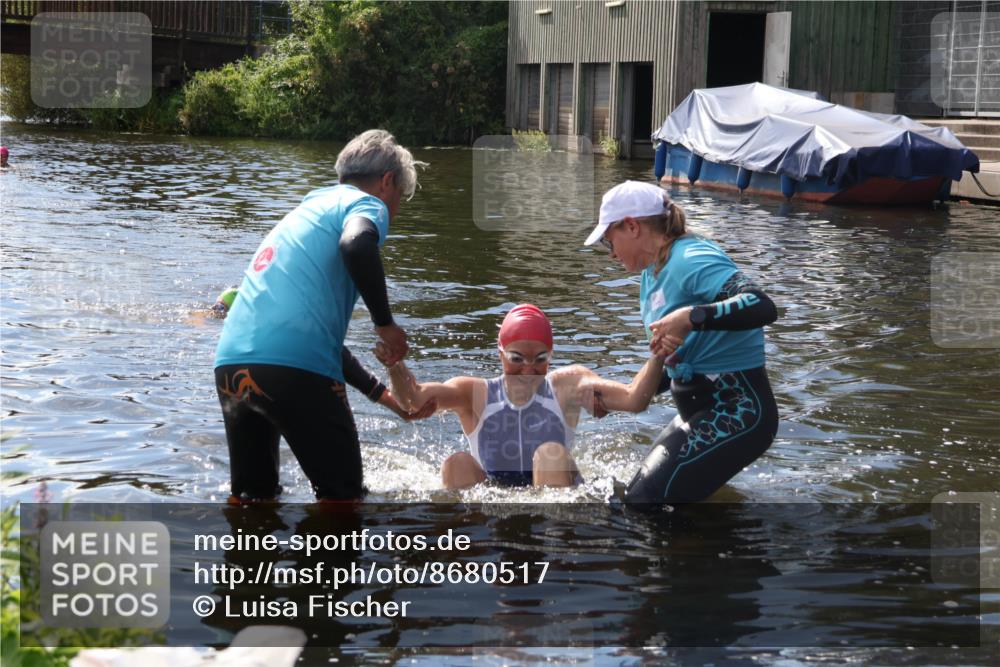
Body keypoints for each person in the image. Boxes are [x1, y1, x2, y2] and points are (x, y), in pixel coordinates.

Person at [214, 129, 427, 503]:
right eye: (399, 199)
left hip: (232, 363)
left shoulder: (305, 212)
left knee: (252, 500)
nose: (393, 211)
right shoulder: (366, 205)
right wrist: (385, 324)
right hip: (294, 367)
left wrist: (386, 399)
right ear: (387, 182)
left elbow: (313, 343)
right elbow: (357, 245)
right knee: (343, 500)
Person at [584, 180, 779, 503]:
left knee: (643, 505)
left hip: (739, 410)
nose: (612, 254)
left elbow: (761, 304)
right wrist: (616, 398)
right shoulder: (652, 274)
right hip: (699, 410)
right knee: (635, 496)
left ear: (631, 226)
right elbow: (676, 359)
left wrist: (693, 316)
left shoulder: (691, 257)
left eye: (609, 241)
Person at [376, 304, 681, 489]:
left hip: (556, 492)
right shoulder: (475, 393)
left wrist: (658, 355)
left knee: (550, 454)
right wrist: (395, 366)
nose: (528, 369)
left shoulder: (566, 386)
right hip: (495, 493)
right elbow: (412, 400)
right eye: (517, 358)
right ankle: (471, 546)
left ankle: (555, 537)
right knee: (456, 464)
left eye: (540, 359)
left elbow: (634, 400)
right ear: (500, 354)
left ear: (552, 357)